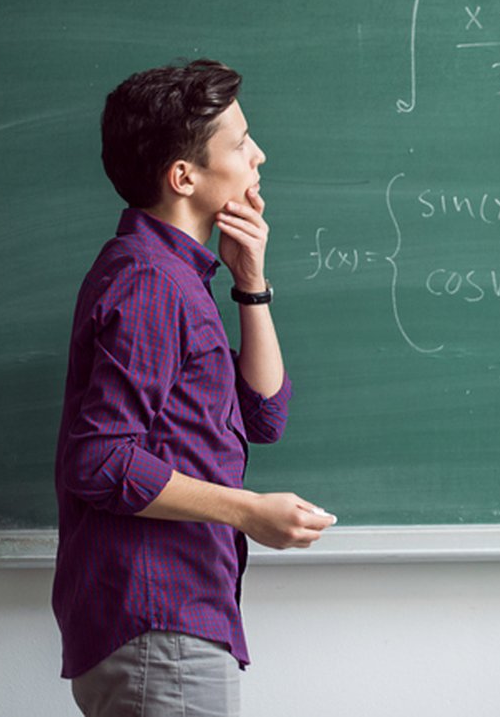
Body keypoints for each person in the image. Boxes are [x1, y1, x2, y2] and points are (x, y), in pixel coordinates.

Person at [53, 59, 335, 716]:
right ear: (183, 176)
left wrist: (251, 283)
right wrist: (246, 510)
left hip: (175, 620)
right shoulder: (149, 280)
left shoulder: (175, 279)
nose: (258, 153)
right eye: (239, 143)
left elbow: (264, 416)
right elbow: (98, 459)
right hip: (160, 626)